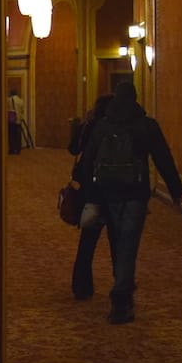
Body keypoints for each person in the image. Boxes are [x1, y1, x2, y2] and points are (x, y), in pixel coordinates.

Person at [75, 81, 182, 324]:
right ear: (135, 98)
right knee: (128, 244)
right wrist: (176, 189)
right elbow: (163, 158)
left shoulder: (103, 126)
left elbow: (87, 162)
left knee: (118, 239)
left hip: (108, 193)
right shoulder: (146, 125)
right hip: (136, 192)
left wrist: (91, 196)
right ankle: (121, 297)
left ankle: (121, 292)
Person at [69, 93, 113, 301]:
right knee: (118, 241)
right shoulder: (115, 128)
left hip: (91, 190)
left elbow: (73, 150)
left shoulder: (90, 126)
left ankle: (81, 286)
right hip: (113, 191)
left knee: (87, 240)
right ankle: (121, 284)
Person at [8, 88, 26, 154]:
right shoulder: (21, 101)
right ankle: (18, 149)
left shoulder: (8, 100)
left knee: (11, 136)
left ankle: (12, 150)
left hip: (11, 120)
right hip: (18, 121)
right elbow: (22, 111)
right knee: (18, 136)